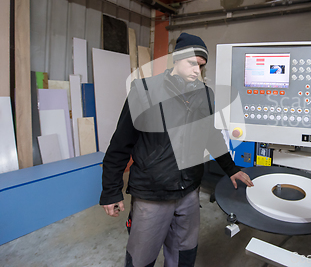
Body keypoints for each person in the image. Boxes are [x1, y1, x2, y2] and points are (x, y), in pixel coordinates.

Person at [99, 32, 253, 267]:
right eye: (192, 63)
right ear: (176, 59)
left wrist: (231, 169)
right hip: (152, 194)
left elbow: (211, 136)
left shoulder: (204, 95)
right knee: (141, 258)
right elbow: (121, 144)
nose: (197, 71)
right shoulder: (145, 92)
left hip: (189, 193)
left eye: (201, 66)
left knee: (183, 254)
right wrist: (111, 190)